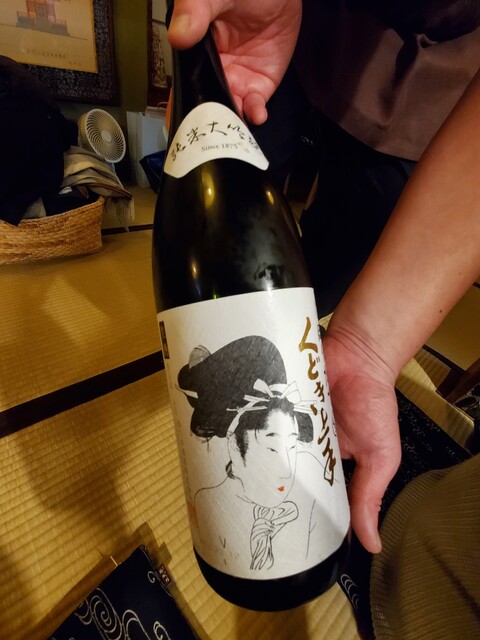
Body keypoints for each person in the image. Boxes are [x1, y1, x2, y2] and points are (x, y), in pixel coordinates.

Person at [167, 1, 480, 563]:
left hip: (440, 95)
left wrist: (368, 348)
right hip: (297, 32)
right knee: (241, 231)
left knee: (329, 264)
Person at [177, 336, 349, 577]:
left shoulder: (312, 491)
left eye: (292, 446)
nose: (287, 472)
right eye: (271, 449)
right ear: (234, 446)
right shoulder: (211, 504)